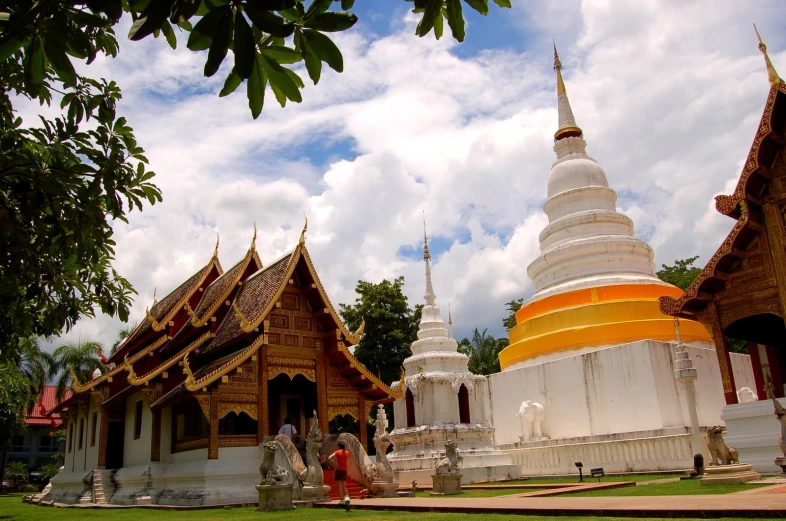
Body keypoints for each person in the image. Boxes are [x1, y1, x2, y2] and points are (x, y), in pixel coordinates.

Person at [327, 441, 350, 506]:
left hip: (338, 469)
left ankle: (342, 500)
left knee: (339, 486)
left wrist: (335, 463)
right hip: (345, 469)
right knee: (344, 485)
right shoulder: (347, 453)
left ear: (339, 446)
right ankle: (347, 497)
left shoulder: (337, 452)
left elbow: (329, 458)